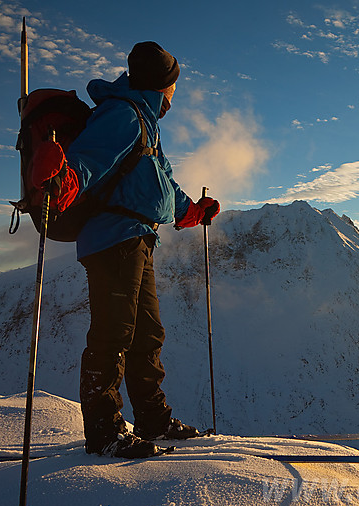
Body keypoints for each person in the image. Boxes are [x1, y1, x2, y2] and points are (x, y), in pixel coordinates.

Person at [30, 41, 220, 458]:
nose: (175, 94)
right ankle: (103, 431)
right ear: (161, 85)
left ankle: (153, 419)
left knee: (146, 334)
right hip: (113, 238)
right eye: (173, 86)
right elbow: (88, 159)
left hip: (137, 237)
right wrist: (62, 180)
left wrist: (194, 213)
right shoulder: (123, 114)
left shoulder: (146, 124)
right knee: (113, 333)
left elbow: (163, 184)